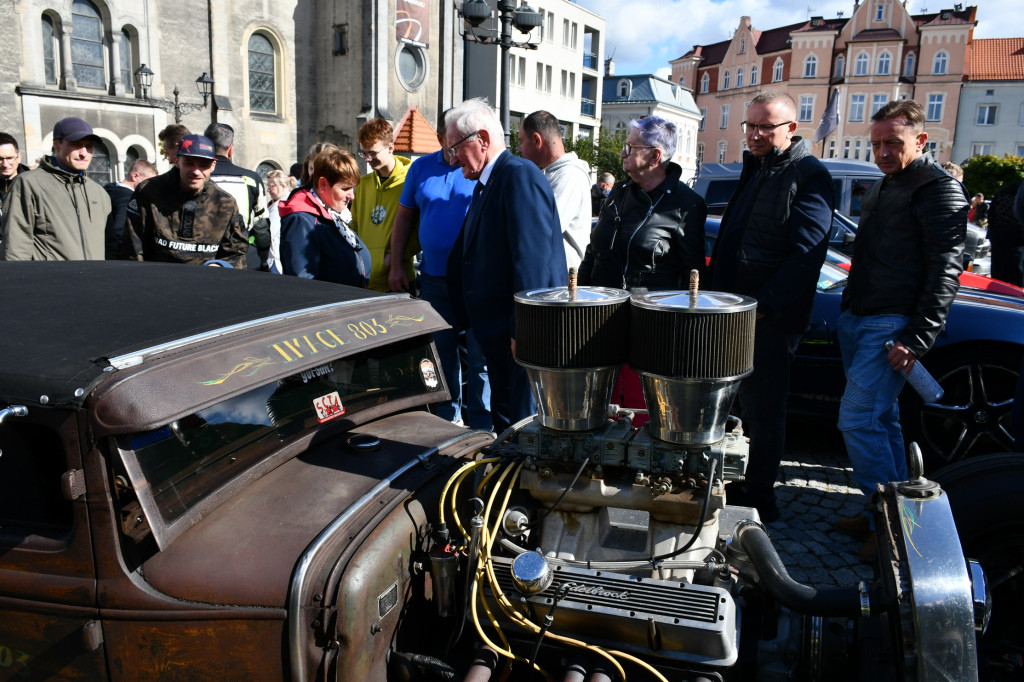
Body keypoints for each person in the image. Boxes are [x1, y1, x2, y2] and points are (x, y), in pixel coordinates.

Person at [834, 99, 967, 558]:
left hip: (891, 324)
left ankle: (891, 530)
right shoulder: (888, 184)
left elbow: (946, 270)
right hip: (861, 317)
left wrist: (917, 337)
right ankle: (888, 515)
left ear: (921, 141)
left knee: (859, 418)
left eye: (893, 142)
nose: (883, 152)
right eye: (876, 144)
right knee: (881, 421)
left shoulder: (938, 189)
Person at [708, 92, 834, 522]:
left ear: (791, 129)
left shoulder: (807, 173)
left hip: (769, 317)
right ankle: (734, 480)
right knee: (736, 405)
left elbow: (807, 254)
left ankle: (760, 496)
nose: (756, 134)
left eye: (767, 127)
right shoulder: (757, 167)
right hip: (733, 311)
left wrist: (765, 305)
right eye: (751, 125)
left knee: (764, 410)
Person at [445, 97, 567, 433]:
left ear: (482, 140)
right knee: (507, 423)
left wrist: (523, 331)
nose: (453, 159)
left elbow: (534, 263)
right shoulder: (490, 182)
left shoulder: (518, 175)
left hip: (518, 340)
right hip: (497, 336)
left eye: (455, 147)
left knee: (523, 426)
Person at [579, 116, 707, 427]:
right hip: (601, 317)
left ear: (654, 156)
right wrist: (580, 296)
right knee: (597, 403)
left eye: (630, 146)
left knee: (639, 409)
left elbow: (693, 276)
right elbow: (594, 251)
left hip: (651, 326)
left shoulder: (686, 204)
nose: (622, 152)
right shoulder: (620, 192)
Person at [389, 111, 492, 431]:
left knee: (480, 357)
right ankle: (448, 419)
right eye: (446, 143)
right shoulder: (420, 168)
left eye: (455, 144)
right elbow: (403, 218)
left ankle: (483, 423)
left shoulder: (481, 168)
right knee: (440, 354)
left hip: (476, 280)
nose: (451, 151)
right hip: (433, 278)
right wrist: (396, 263)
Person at [123, 134, 248, 267]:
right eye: (189, 163)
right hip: (157, 282)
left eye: (203, 165)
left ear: (213, 165)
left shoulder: (225, 203)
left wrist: (219, 266)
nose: (196, 171)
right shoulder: (149, 192)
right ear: (177, 161)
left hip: (204, 284)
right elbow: (133, 247)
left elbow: (237, 253)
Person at [0, 117, 111, 261]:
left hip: (95, 281)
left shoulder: (99, 192)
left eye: (89, 146)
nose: (84, 152)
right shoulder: (28, 184)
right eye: (76, 145)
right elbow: (15, 247)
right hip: (50, 281)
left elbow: (110, 247)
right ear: (57, 145)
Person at [278, 147, 370, 286]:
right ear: (323, 184)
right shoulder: (302, 221)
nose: (352, 196)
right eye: (345, 188)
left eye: (353, 188)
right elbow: (303, 282)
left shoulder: (331, 212)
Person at [518, 110, 592, 270]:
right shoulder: (553, 173)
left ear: (537, 140)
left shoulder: (569, 174)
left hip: (563, 282)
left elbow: (543, 228)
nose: (519, 149)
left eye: (522, 141)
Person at [351, 118, 413, 292]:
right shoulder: (363, 184)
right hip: (365, 279)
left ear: (390, 148)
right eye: (363, 153)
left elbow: (419, 227)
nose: (367, 159)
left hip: (397, 278)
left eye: (372, 153)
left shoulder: (410, 180)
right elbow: (355, 227)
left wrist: (395, 257)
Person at [203, 123, 271, 270]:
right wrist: (264, 254)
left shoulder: (195, 178)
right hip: (239, 256)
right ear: (231, 148)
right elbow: (261, 224)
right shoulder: (251, 179)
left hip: (201, 255)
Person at [103, 159, 157, 259]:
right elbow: (121, 232)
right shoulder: (129, 199)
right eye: (149, 182)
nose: (151, 187)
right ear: (135, 176)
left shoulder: (108, 191)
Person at [986, 179, 1024, 286]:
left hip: (998, 235)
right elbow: (1019, 212)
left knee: (999, 275)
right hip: (1018, 237)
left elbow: (991, 214)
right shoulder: (1019, 190)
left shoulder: (1005, 190)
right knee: (1018, 276)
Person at [264, 169, 292, 274]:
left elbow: (269, 233)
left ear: (283, 186)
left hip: (275, 259)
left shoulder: (278, 207)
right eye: (268, 186)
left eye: (272, 186)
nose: (269, 190)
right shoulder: (291, 200)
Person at [0, 132, 30, 223]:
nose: (5, 164)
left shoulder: (33, 184)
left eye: (9, 158)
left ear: (19, 157)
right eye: (0, 159)